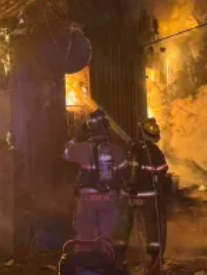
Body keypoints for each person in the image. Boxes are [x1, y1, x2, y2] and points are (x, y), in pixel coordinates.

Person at [64, 109, 128, 241]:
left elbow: (65, 153)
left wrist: (77, 137)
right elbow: (123, 173)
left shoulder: (81, 148)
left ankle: (85, 259)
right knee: (106, 236)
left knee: (84, 235)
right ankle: (106, 258)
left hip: (87, 198)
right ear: (107, 129)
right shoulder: (117, 150)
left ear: (89, 130)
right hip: (109, 197)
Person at [120, 118, 169, 259]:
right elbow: (163, 170)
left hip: (130, 195)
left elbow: (122, 170)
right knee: (152, 225)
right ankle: (154, 255)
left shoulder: (131, 149)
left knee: (124, 223)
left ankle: (119, 251)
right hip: (148, 196)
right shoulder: (156, 153)